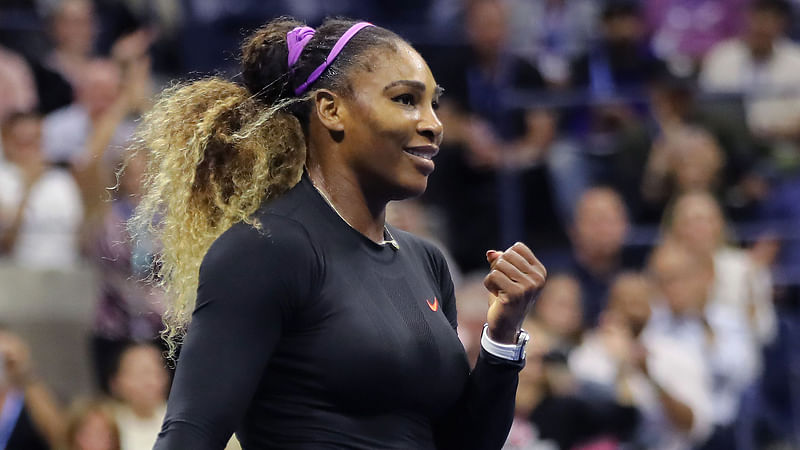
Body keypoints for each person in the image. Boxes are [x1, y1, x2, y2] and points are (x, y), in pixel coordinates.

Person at [132, 17, 547, 449]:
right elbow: (191, 433)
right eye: (406, 99)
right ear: (331, 110)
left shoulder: (428, 261)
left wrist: (501, 336)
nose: (433, 124)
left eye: (434, 105)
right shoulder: (265, 250)